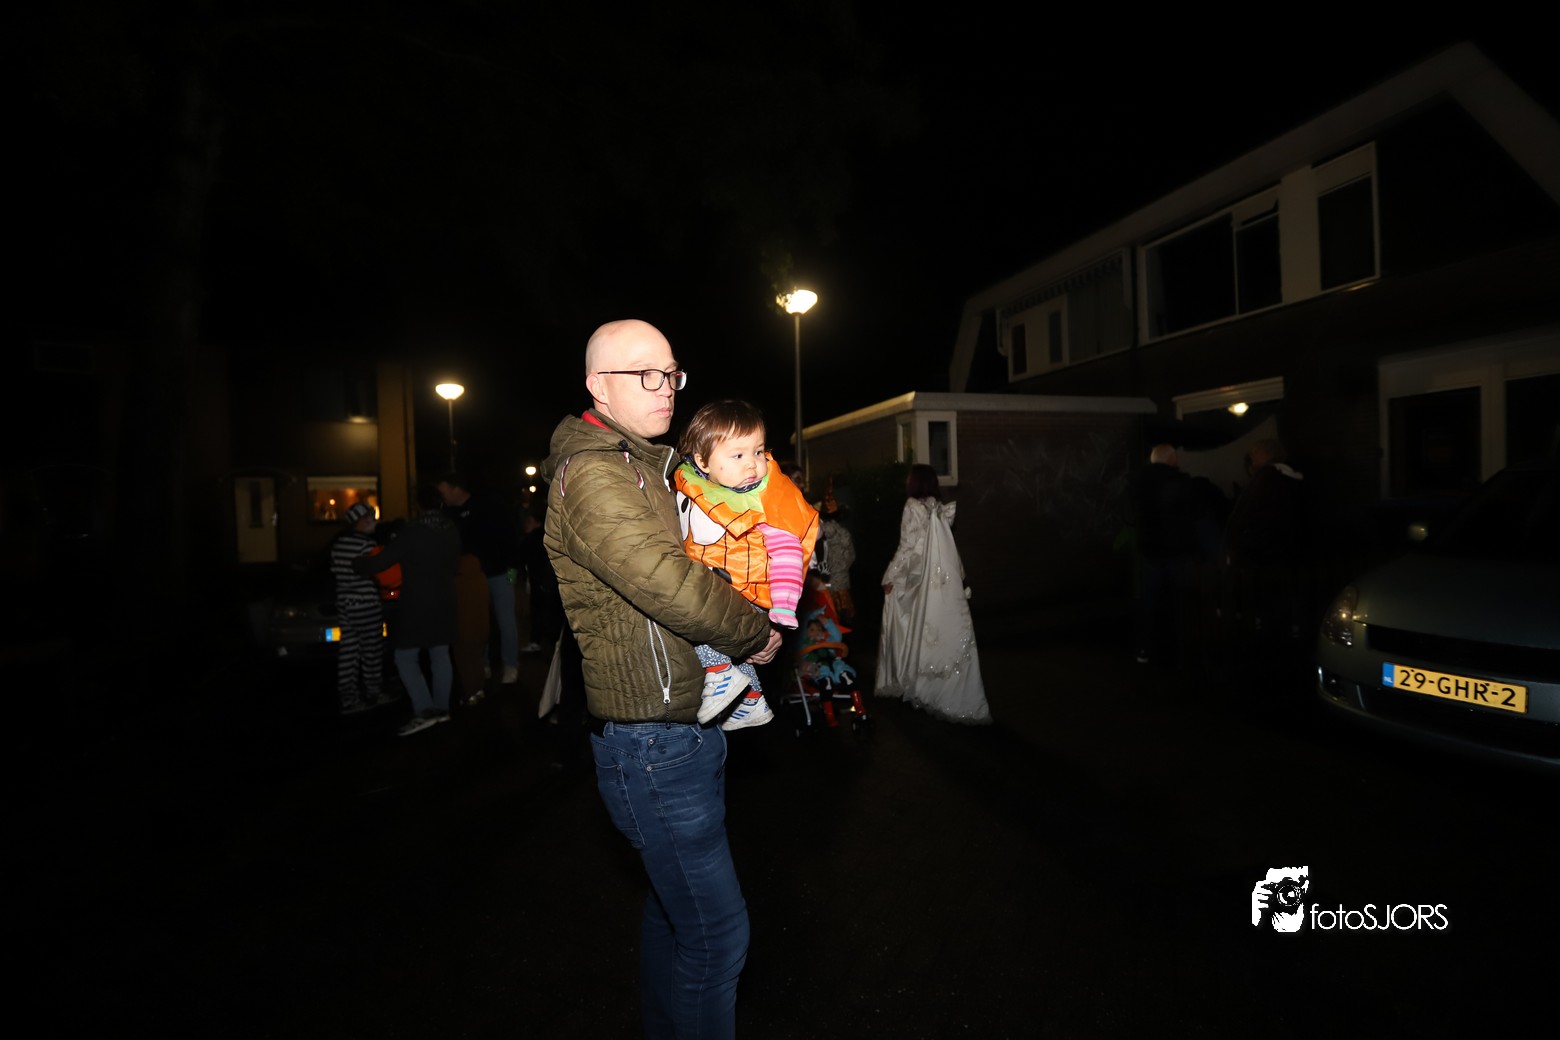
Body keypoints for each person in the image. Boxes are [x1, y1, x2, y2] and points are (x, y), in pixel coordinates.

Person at [541, 318, 782, 1039]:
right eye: (642, 374)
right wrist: (755, 630)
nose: (665, 388)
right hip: (651, 742)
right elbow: (669, 583)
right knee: (718, 936)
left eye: (670, 372)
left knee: (674, 916)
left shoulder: (647, 463)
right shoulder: (595, 475)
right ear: (597, 386)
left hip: (681, 726)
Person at [673, 399, 819, 730]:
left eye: (758, 451)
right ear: (702, 461)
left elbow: (788, 553)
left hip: (745, 597)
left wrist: (782, 609)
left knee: (696, 623)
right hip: (721, 592)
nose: (752, 464)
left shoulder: (764, 499)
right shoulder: (691, 488)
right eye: (737, 455)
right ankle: (751, 698)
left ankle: (720, 674)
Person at [875, 463, 992, 724]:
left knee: (906, 626)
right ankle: (934, 684)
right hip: (936, 580)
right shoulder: (937, 507)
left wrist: (890, 576)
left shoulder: (913, 506)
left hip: (915, 579)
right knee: (933, 628)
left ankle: (909, 680)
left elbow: (907, 547)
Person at [356, 486, 461, 736]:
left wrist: (356, 562)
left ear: (418, 506)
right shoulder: (451, 530)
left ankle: (424, 710)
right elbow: (455, 565)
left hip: (417, 604)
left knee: (405, 657)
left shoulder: (413, 532)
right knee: (440, 654)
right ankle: (441, 708)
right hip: (445, 601)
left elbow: (381, 562)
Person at [1129, 443, 1217, 666]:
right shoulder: (1184, 484)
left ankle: (1144, 647)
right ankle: (1184, 650)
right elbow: (1200, 517)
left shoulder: (1138, 484)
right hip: (1180, 553)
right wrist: (1213, 552)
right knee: (1182, 601)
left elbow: (1132, 517)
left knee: (1148, 601)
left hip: (1150, 552)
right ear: (1172, 459)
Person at [436, 473, 523, 684]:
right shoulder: (448, 513)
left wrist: (513, 571)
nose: (441, 496)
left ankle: (510, 665)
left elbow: (510, 535)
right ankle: (482, 664)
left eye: (443, 490)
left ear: (456, 488)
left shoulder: (488, 505)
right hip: (470, 578)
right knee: (478, 622)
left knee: (505, 621)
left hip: (499, 573)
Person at [329, 502, 385, 714]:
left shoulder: (338, 544)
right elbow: (378, 572)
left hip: (345, 603)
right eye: (368, 517)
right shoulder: (366, 545)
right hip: (366, 604)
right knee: (371, 651)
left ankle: (349, 698)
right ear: (358, 522)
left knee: (349, 651)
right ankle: (373, 693)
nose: (372, 521)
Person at [816, 485, 856, 623]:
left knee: (830, 615)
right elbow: (851, 556)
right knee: (843, 616)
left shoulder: (820, 531)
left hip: (828, 580)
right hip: (840, 580)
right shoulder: (844, 533)